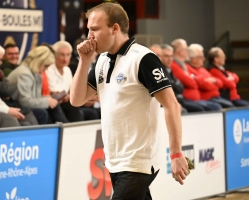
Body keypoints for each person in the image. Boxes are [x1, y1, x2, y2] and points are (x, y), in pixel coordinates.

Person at [70, 3, 188, 199]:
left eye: (95, 29)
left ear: (115, 28)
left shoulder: (143, 58)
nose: (89, 36)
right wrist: (84, 61)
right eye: (88, 29)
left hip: (139, 161)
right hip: (115, 159)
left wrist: (176, 154)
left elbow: (171, 105)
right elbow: (76, 99)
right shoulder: (101, 60)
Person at [0, 42, 48, 125]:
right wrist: (19, 84)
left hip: (10, 102)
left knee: (33, 112)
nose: (14, 56)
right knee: (33, 114)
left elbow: (5, 88)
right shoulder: (0, 71)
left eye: (16, 53)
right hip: (2, 105)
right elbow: (4, 89)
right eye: (10, 54)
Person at [7, 46, 69, 123]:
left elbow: (35, 97)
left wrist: (50, 98)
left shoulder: (34, 72)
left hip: (23, 105)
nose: (46, 69)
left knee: (54, 105)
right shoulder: (25, 74)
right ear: (38, 62)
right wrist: (47, 101)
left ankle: (65, 128)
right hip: (15, 107)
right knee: (44, 112)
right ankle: (66, 129)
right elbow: (24, 102)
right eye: (46, 66)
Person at [46, 41, 98, 121]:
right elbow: (52, 93)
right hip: (55, 105)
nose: (65, 59)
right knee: (72, 106)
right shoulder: (48, 69)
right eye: (62, 55)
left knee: (92, 112)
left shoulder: (67, 70)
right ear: (55, 55)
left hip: (67, 103)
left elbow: (72, 91)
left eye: (68, 55)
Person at [170, 38, 222, 111]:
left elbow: (201, 80)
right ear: (181, 52)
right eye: (186, 49)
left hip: (197, 99)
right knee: (208, 108)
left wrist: (194, 78)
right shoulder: (174, 65)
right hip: (187, 100)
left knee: (216, 106)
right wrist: (195, 79)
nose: (188, 52)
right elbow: (191, 83)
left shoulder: (184, 65)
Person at [159, 44, 206, 113]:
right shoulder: (163, 70)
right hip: (175, 101)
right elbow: (190, 83)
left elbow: (181, 87)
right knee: (199, 109)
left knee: (212, 106)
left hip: (181, 100)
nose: (169, 59)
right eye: (166, 56)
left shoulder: (170, 69)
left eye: (171, 56)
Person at [188, 44, 234, 108]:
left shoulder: (203, 69)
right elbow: (205, 86)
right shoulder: (189, 69)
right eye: (201, 57)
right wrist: (212, 83)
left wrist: (213, 81)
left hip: (216, 97)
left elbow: (220, 83)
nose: (204, 59)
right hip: (207, 98)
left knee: (230, 105)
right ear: (193, 59)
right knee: (227, 106)